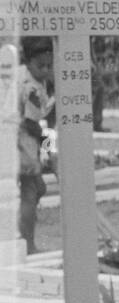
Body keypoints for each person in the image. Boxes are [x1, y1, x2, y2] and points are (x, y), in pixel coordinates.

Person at [16, 38, 54, 254]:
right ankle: (28, 243)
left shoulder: (24, 74)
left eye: (49, 66)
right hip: (21, 142)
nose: (46, 70)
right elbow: (33, 125)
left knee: (39, 188)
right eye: (41, 66)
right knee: (31, 192)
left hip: (22, 139)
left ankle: (19, 232)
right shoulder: (30, 88)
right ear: (29, 62)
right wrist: (48, 149)